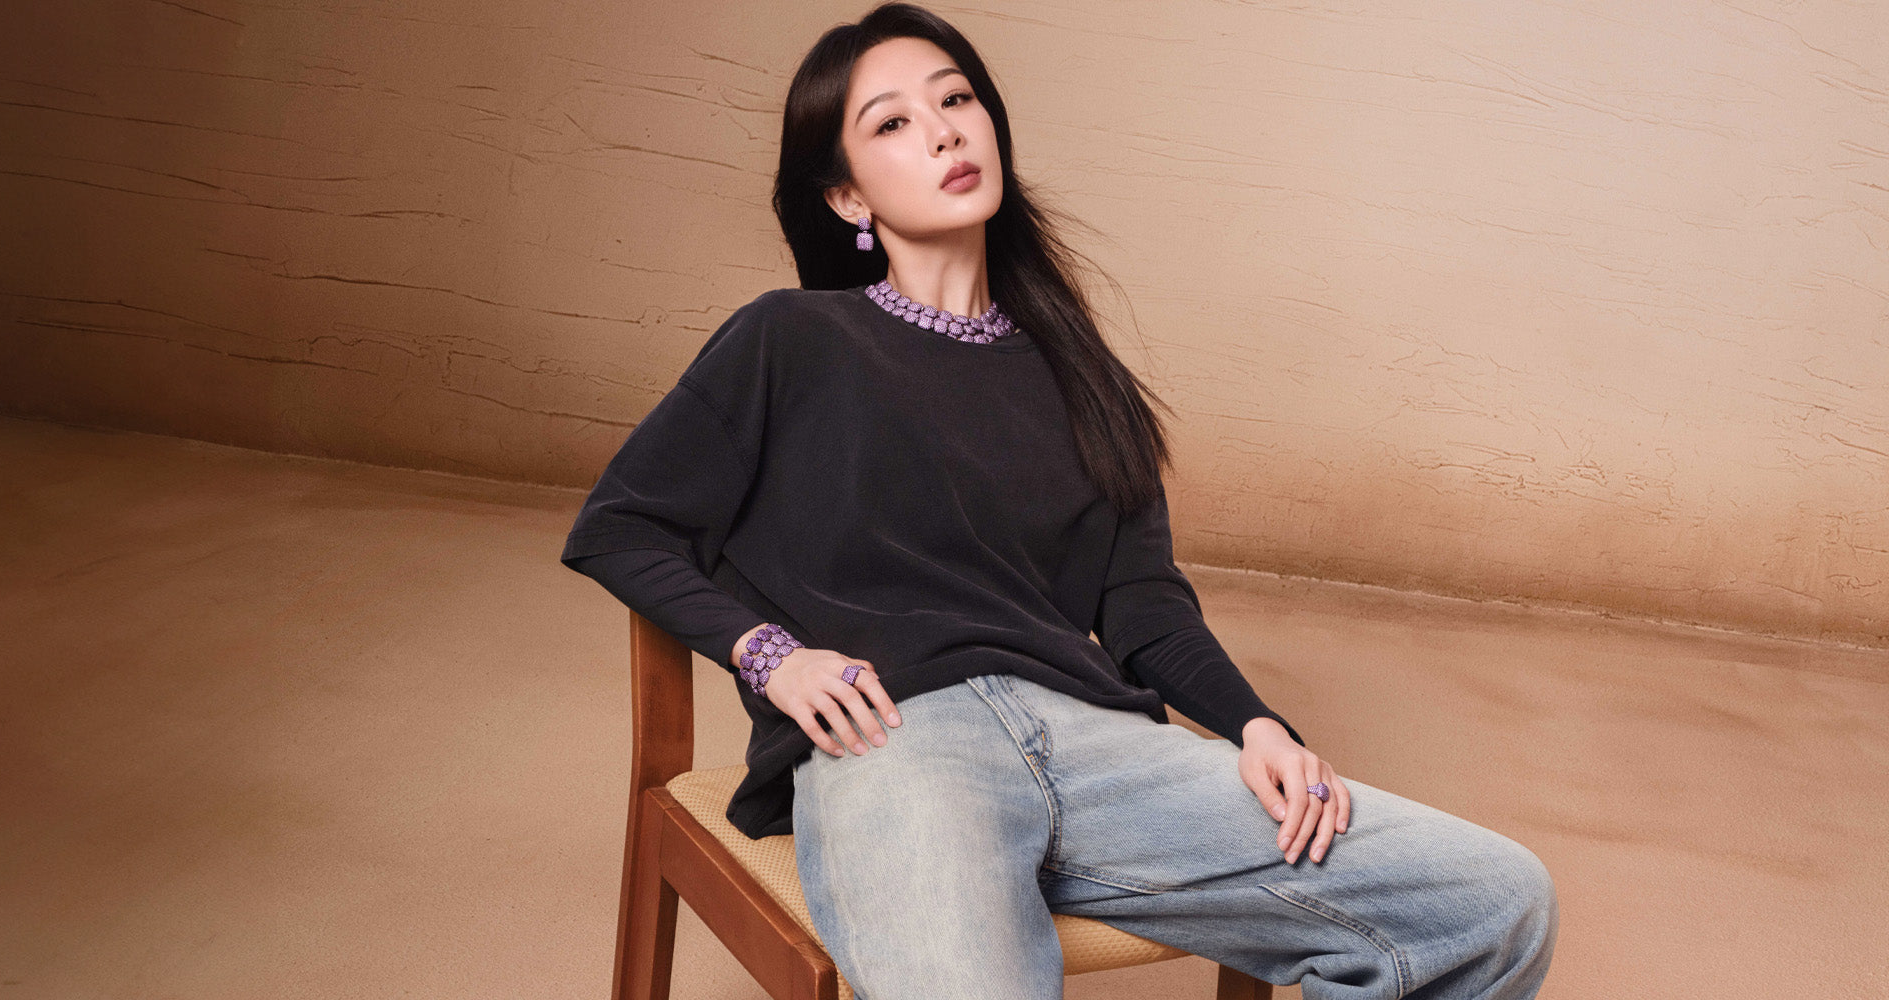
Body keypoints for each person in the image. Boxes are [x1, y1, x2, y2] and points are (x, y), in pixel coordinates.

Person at [561, 4, 1558, 997]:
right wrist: (771, 656)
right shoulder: (790, 339)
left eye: (957, 100)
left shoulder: (1083, 376)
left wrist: (1259, 725)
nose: (944, 131)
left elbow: (1144, 607)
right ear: (847, 196)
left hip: (1104, 749)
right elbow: (622, 526)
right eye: (893, 122)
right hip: (895, 742)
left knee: (1491, 903)